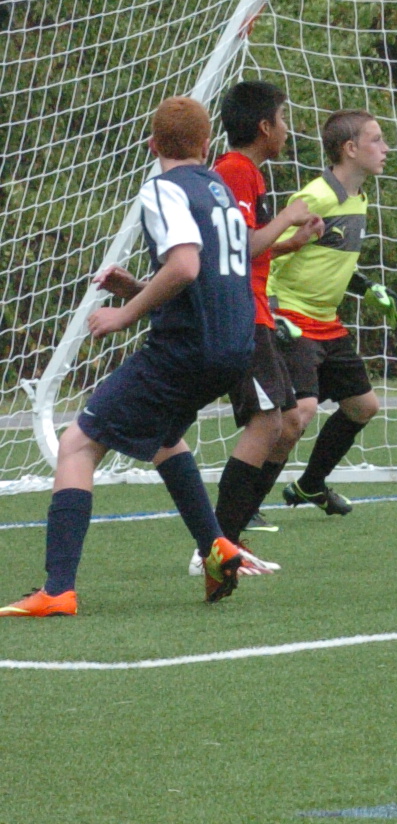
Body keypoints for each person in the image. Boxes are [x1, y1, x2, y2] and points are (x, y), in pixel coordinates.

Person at [5, 98, 258, 616]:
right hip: (235, 347)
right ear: (207, 144)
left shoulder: (163, 188)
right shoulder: (218, 189)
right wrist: (139, 289)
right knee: (164, 438)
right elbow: (205, 280)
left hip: (186, 348)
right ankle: (216, 547)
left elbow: (184, 267)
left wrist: (125, 314)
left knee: (77, 444)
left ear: (151, 144)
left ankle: (57, 589)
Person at [203, 81, 325, 570]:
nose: (287, 129)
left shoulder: (246, 172)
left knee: (286, 421)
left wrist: (292, 242)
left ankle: (228, 538)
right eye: (283, 118)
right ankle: (215, 546)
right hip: (241, 314)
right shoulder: (235, 171)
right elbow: (241, 246)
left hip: (255, 312)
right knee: (268, 422)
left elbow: (249, 244)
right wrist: (289, 217)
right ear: (264, 127)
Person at [267, 109, 397, 515]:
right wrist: (273, 312)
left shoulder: (358, 199)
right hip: (292, 316)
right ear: (350, 149)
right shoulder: (315, 197)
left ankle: (309, 486)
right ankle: (244, 502)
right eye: (376, 139)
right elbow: (264, 253)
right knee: (299, 414)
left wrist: (366, 286)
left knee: (363, 406)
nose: (386, 148)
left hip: (326, 322)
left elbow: (330, 256)